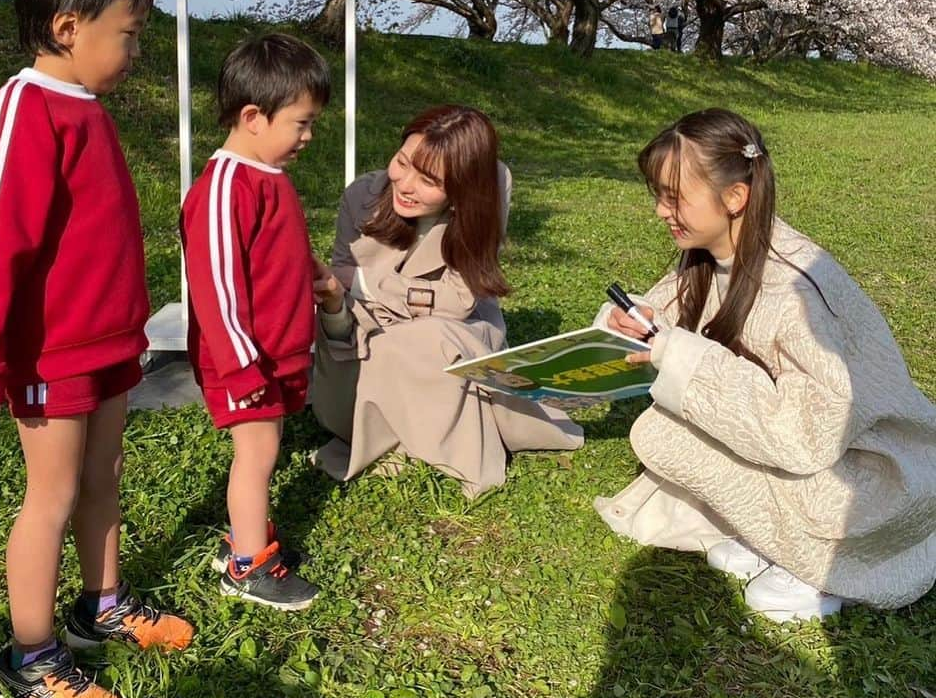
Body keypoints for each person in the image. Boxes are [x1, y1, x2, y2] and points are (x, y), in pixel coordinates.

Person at [0, 0, 194, 698]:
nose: (135, 51)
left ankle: (103, 603)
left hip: (110, 346)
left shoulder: (84, 109)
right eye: (129, 34)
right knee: (49, 496)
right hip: (50, 354)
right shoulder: (25, 111)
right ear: (67, 27)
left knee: (104, 478)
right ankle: (33, 654)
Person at [595, 108, 936, 621]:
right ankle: (769, 533)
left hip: (873, 476)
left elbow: (811, 435)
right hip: (814, 460)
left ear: (735, 197)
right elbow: (668, 317)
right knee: (663, 432)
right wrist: (635, 320)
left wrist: (679, 354)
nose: (661, 211)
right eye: (657, 195)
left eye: (674, 196)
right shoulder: (711, 256)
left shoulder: (795, 290)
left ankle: (821, 566)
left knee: (677, 429)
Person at [311, 106, 584, 498]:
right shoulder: (362, 196)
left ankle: (425, 439)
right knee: (370, 346)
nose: (405, 184)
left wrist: (368, 285)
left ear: (462, 188)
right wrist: (346, 298)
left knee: (429, 337)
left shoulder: (489, 191)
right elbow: (341, 285)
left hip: (457, 329)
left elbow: (459, 301)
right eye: (401, 162)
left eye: (428, 180)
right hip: (367, 327)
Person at [181, 33, 330, 610]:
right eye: (301, 122)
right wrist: (242, 367)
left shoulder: (267, 176)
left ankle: (244, 543)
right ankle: (247, 564)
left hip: (273, 353)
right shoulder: (224, 188)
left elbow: (271, 255)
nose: (308, 136)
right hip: (243, 361)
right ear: (253, 117)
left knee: (265, 449)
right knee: (259, 454)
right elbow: (216, 289)